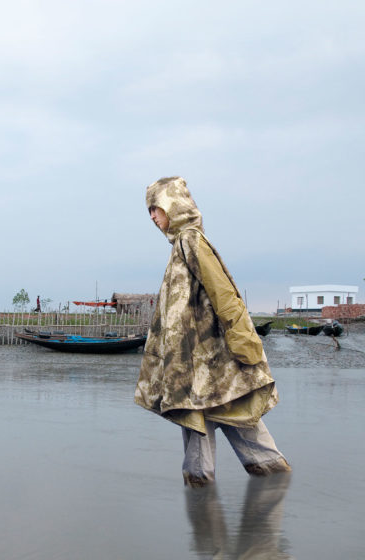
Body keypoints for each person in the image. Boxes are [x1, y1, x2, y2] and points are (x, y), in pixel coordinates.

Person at [135, 177, 290, 487]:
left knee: (224, 414)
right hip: (195, 363)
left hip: (207, 359)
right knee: (213, 416)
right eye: (149, 210)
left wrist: (244, 340)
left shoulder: (191, 241)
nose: (152, 216)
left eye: (156, 208)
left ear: (174, 206)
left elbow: (224, 292)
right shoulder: (181, 244)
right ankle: (244, 494)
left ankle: (216, 496)